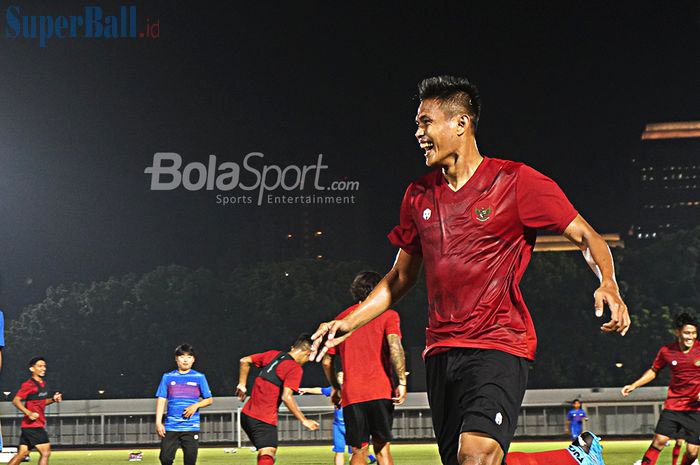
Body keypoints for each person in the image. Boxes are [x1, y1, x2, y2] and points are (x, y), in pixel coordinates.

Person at [311, 75, 630, 465]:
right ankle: (572, 459)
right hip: (441, 352)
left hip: (498, 342)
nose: (417, 133)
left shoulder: (515, 182)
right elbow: (399, 278)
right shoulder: (417, 195)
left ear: (460, 123)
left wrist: (608, 282)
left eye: (425, 122)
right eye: (417, 124)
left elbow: (586, 235)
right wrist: (350, 322)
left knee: (475, 457)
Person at [320, 271, 406, 465]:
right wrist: (402, 381)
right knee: (382, 449)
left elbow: (326, 361)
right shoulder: (388, 315)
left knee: (358, 450)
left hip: (353, 395)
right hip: (381, 390)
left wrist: (336, 387)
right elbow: (395, 347)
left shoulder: (342, 319)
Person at [621, 313, 699, 465]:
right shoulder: (666, 351)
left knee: (692, 452)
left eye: (694, 333)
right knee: (659, 441)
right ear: (678, 332)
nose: (691, 337)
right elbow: (654, 370)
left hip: (696, 410)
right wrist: (634, 385)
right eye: (687, 333)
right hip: (673, 405)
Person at [237, 334, 320, 465]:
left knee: (266, 453)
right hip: (263, 419)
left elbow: (244, 361)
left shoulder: (273, 355)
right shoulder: (294, 368)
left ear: (293, 348)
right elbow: (286, 397)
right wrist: (304, 420)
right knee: (268, 454)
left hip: (246, 415)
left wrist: (242, 384)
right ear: (308, 354)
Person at [299, 372, 378, 465]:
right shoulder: (334, 390)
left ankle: (371, 457)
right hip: (338, 426)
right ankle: (371, 457)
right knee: (339, 451)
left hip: (352, 426)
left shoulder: (354, 389)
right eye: (339, 376)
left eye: (343, 376)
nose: (341, 378)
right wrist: (305, 389)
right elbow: (320, 390)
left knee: (355, 451)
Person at [155, 344, 213, 465]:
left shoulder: (199, 377)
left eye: (189, 357)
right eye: (182, 356)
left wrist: (195, 406)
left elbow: (209, 399)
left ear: (193, 359)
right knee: (165, 459)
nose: (185, 360)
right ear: (176, 359)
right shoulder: (168, 377)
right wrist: (158, 422)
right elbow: (161, 399)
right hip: (171, 427)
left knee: (190, 461)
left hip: (191, 427)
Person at [8, 357, 62, 465]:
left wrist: (53, 399)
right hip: (33, 426)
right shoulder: (29, 384)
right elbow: (16, 401)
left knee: (22, 454)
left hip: (31, 425)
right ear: (32, 369)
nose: (44, 368)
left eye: (44, 366)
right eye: (40, 366)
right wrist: (29, 413)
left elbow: (40, 402)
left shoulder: (43, 384)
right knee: (46, 453)